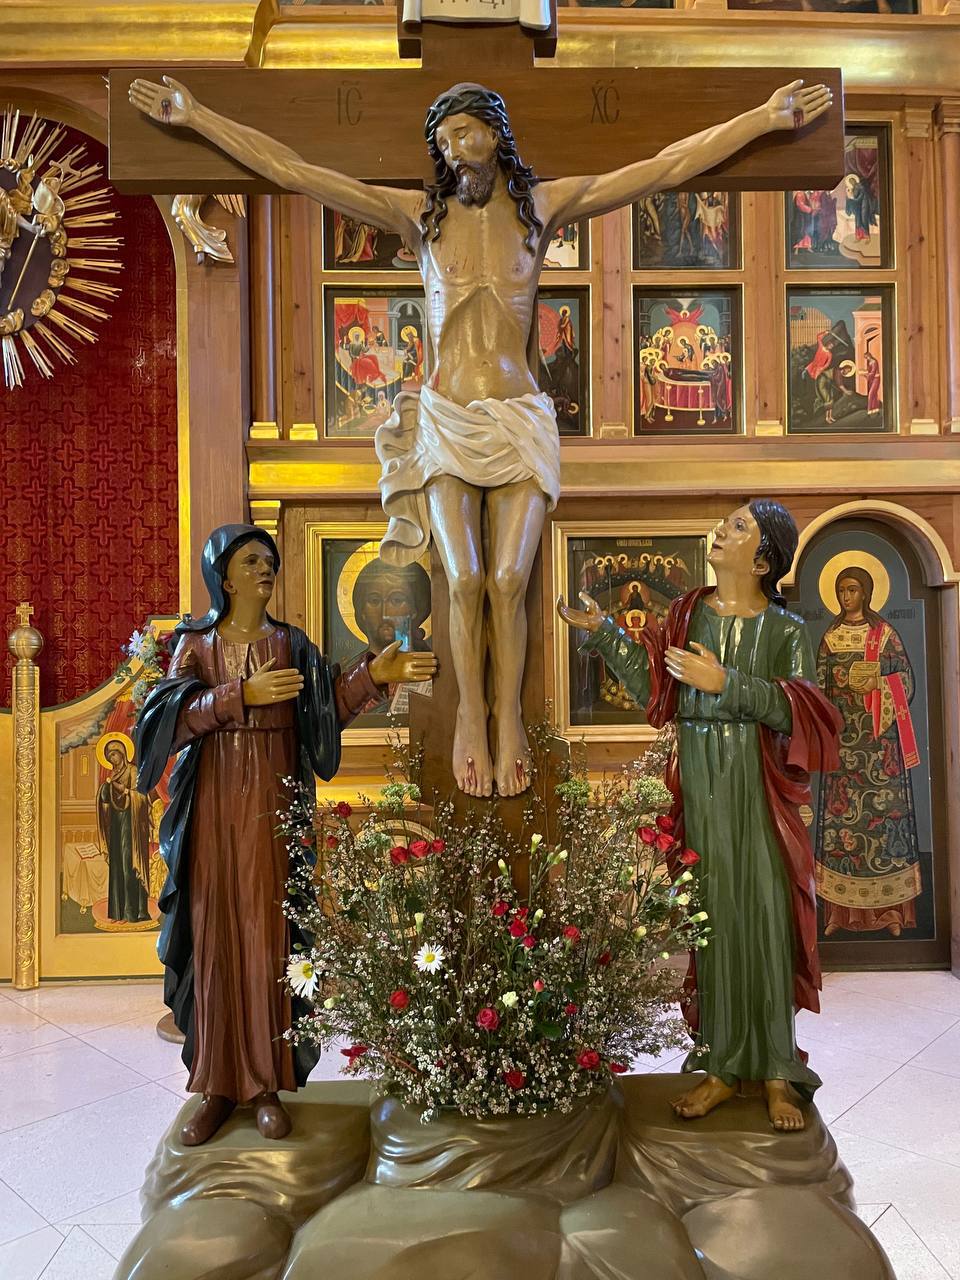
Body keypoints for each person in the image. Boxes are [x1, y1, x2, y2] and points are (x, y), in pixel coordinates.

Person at [129, 72, 831, 800]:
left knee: (507, 582)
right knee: (463, 580)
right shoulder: (419, 217)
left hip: (519, 417)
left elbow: (660, 168)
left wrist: (762, 118)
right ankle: (471, 714)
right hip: (448, 418)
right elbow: (296, 171)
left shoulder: (542, 209)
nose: (453, 150)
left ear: (495, 135)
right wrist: (197, 116)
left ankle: (510, 721)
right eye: (443, 141)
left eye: (464, 134)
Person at [135, 524, 436, 1146]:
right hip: (213, 807)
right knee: (216, 933)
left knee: (267, 934)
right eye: (251, 561)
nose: (264, 569)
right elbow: (165, 722)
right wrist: (238, 696)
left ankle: (266, 1084)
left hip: (273, 806)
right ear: (224, 576)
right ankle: (216, 1087)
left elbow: (325, 710)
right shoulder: (196, 644)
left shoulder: (292, 644)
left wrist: (374, 674)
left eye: (269, 560)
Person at [557, 501, 842, 1131]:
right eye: (726, 522)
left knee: (765, 915)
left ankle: (776, 1071)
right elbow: (653, 689)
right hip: (701, 780)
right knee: (713, 917)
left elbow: (805, 713)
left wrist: (726, 683)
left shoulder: (786, 631)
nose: (721, 530)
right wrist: (603, 631)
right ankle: (720, 1067)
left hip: (759, 788)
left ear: (763, 560)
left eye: (738, 527)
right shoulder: (687, 614)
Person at [815, 567, 921, 938]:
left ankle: (891, 913)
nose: (846, 597)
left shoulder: (885, 635)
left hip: (881, 750)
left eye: (853, 590)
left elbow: (905, 680)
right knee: (842, 829)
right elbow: (818, 687)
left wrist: (879, 680)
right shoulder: (831, 638)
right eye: (841, 591)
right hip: (844, 748)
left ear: (867, 592)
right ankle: (839, 914)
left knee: (886, 828)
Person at [97, 735, 152, 925]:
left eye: (114, 754)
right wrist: (106, 790)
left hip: (131, 825)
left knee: (129, 864)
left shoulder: (133, 770)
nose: (112, 759)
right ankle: (117, 913)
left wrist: (126, 791)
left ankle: (132, 913)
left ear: (122, 753)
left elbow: (142, 797)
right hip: (116, 824)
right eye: (109, 756)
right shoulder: (112, 776)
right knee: (117, 866)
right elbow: (106, 800)